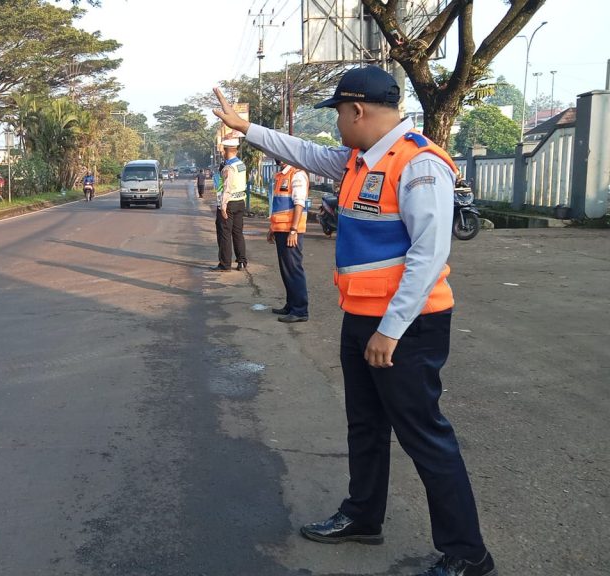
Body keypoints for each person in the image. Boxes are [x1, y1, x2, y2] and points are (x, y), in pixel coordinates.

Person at [213, 66, 496, 576]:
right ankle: (364, 516)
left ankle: (468, 553)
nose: (337, 125)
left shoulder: (418, 165)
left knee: (424, 435)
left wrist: (391, 329)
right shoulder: (358, 160)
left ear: (357, 110)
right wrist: (244, 127)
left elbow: (429, 254)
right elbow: (301, 151)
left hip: (406, 327)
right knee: (365, 425)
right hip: (362, 318)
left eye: (339, 113)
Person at [268, 159, 310, 323]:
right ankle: (291, 304)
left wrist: (293, 230)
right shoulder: (281, 175)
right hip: (281, 229)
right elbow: (279, 205)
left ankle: (300, 310)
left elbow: (299, 204)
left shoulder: (297, 175)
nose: (278, 159)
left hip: (291, 231)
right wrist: (272, 228)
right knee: (286, 269)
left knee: (293, 269)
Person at [211, 139, 248, 271]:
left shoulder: (228, 168)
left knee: (225, 233)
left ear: (226, 151)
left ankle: (225, 264)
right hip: (240, 202)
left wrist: (223, 206)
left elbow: (226, 187)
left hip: (229, 202)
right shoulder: (241, 164)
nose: (221, 153)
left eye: (222, 150)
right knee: (238, 232)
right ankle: (242, 261)